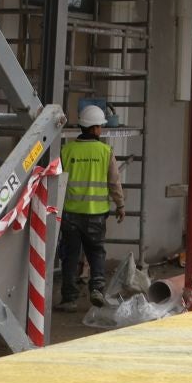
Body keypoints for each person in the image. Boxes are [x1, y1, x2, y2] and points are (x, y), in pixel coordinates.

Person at [57, 104, 125, 309]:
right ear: (95, 128)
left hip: (70, 213)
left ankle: (69, 298)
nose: (101, 130)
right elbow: (114, 182)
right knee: (96, 252)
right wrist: (120, 205)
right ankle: (96, 289)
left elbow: (58, 181)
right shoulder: (105, 151)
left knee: (70, 255)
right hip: (96, 215)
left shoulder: (66, 150)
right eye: (100, 127)